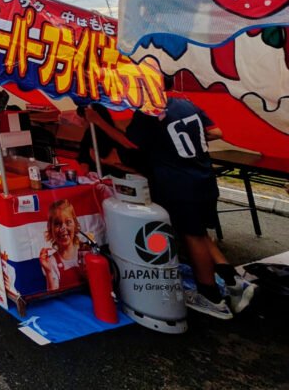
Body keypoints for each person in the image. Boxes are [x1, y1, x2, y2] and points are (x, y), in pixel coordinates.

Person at [87, 76, 254, 318]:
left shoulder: (148, 112)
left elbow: (130, 143)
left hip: (179, 184)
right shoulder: (187, 104)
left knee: (191, 237)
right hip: (204, 177)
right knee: (199, 232)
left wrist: (98, 122)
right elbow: (216, 132)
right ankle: (233, 280)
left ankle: (211, 297)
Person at [39, 199, 89, 292]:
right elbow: (53, 295)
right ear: (51, 228)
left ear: (75, 223)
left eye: (68, 222)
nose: (63, 228)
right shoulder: (52, 262)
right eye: (57, 224)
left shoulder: (86, 250)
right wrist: (49, 272)